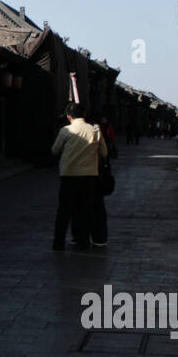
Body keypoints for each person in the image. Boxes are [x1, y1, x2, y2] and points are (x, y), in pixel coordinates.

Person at [51, 101, 108, 251]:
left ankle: (58, 243)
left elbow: (55, 150)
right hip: (89, 177)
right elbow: (104, 153)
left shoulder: (65, 131)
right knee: (86, 210)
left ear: (69, 117)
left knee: (64, 210)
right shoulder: (95, 130)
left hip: (68, 175)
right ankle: (83, 241)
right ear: (84, 115)